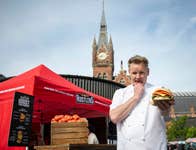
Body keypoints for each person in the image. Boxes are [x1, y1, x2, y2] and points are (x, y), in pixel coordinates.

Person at [109, 55, 174, 150]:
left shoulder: (158, 91)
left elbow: (165, 114)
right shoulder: (120, 93)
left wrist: (166, 108)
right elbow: (114, 117)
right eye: (134, 73)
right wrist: (135, 97)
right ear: (129, 73)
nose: (138, 77)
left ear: (148, 72)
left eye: (141, 73)